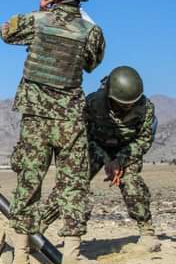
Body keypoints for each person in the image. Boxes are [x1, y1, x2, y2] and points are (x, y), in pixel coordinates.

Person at [0, 0, 105, 264]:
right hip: (70, 119)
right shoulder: (91, 32)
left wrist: (40, 9)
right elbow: (92, 63)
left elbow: (5, 32)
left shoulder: (36, 21)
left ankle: (20, 256)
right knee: (73, 185)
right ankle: (72, 256)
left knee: (28, 183)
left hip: (35, 118)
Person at [38, 66, 160, 252]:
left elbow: (144, 140)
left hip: (126, 152)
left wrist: (120, 160)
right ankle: (37, 228)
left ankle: (147, 231)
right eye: (123, 104)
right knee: (70, 184)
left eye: (131, 104)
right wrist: (105, 158)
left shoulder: (146, 109)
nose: (128, 107)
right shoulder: (93, 103)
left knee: (132, 183)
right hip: (95, 147)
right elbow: (82, 136)